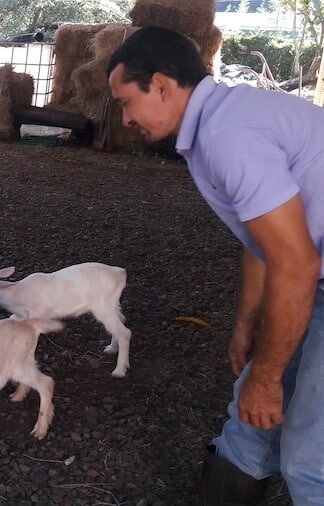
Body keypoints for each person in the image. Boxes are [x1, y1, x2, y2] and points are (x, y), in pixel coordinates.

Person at [107, 26, 324, 505]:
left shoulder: (228, 136)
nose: (123, 119)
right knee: (248, 425)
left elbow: (296, 264)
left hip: (311, 269)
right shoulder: (220, 123)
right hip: (311, 267)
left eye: (125, 102)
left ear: (162, 86)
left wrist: (268, 379)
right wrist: (247, 328)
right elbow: (264, 241)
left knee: (311, 458)